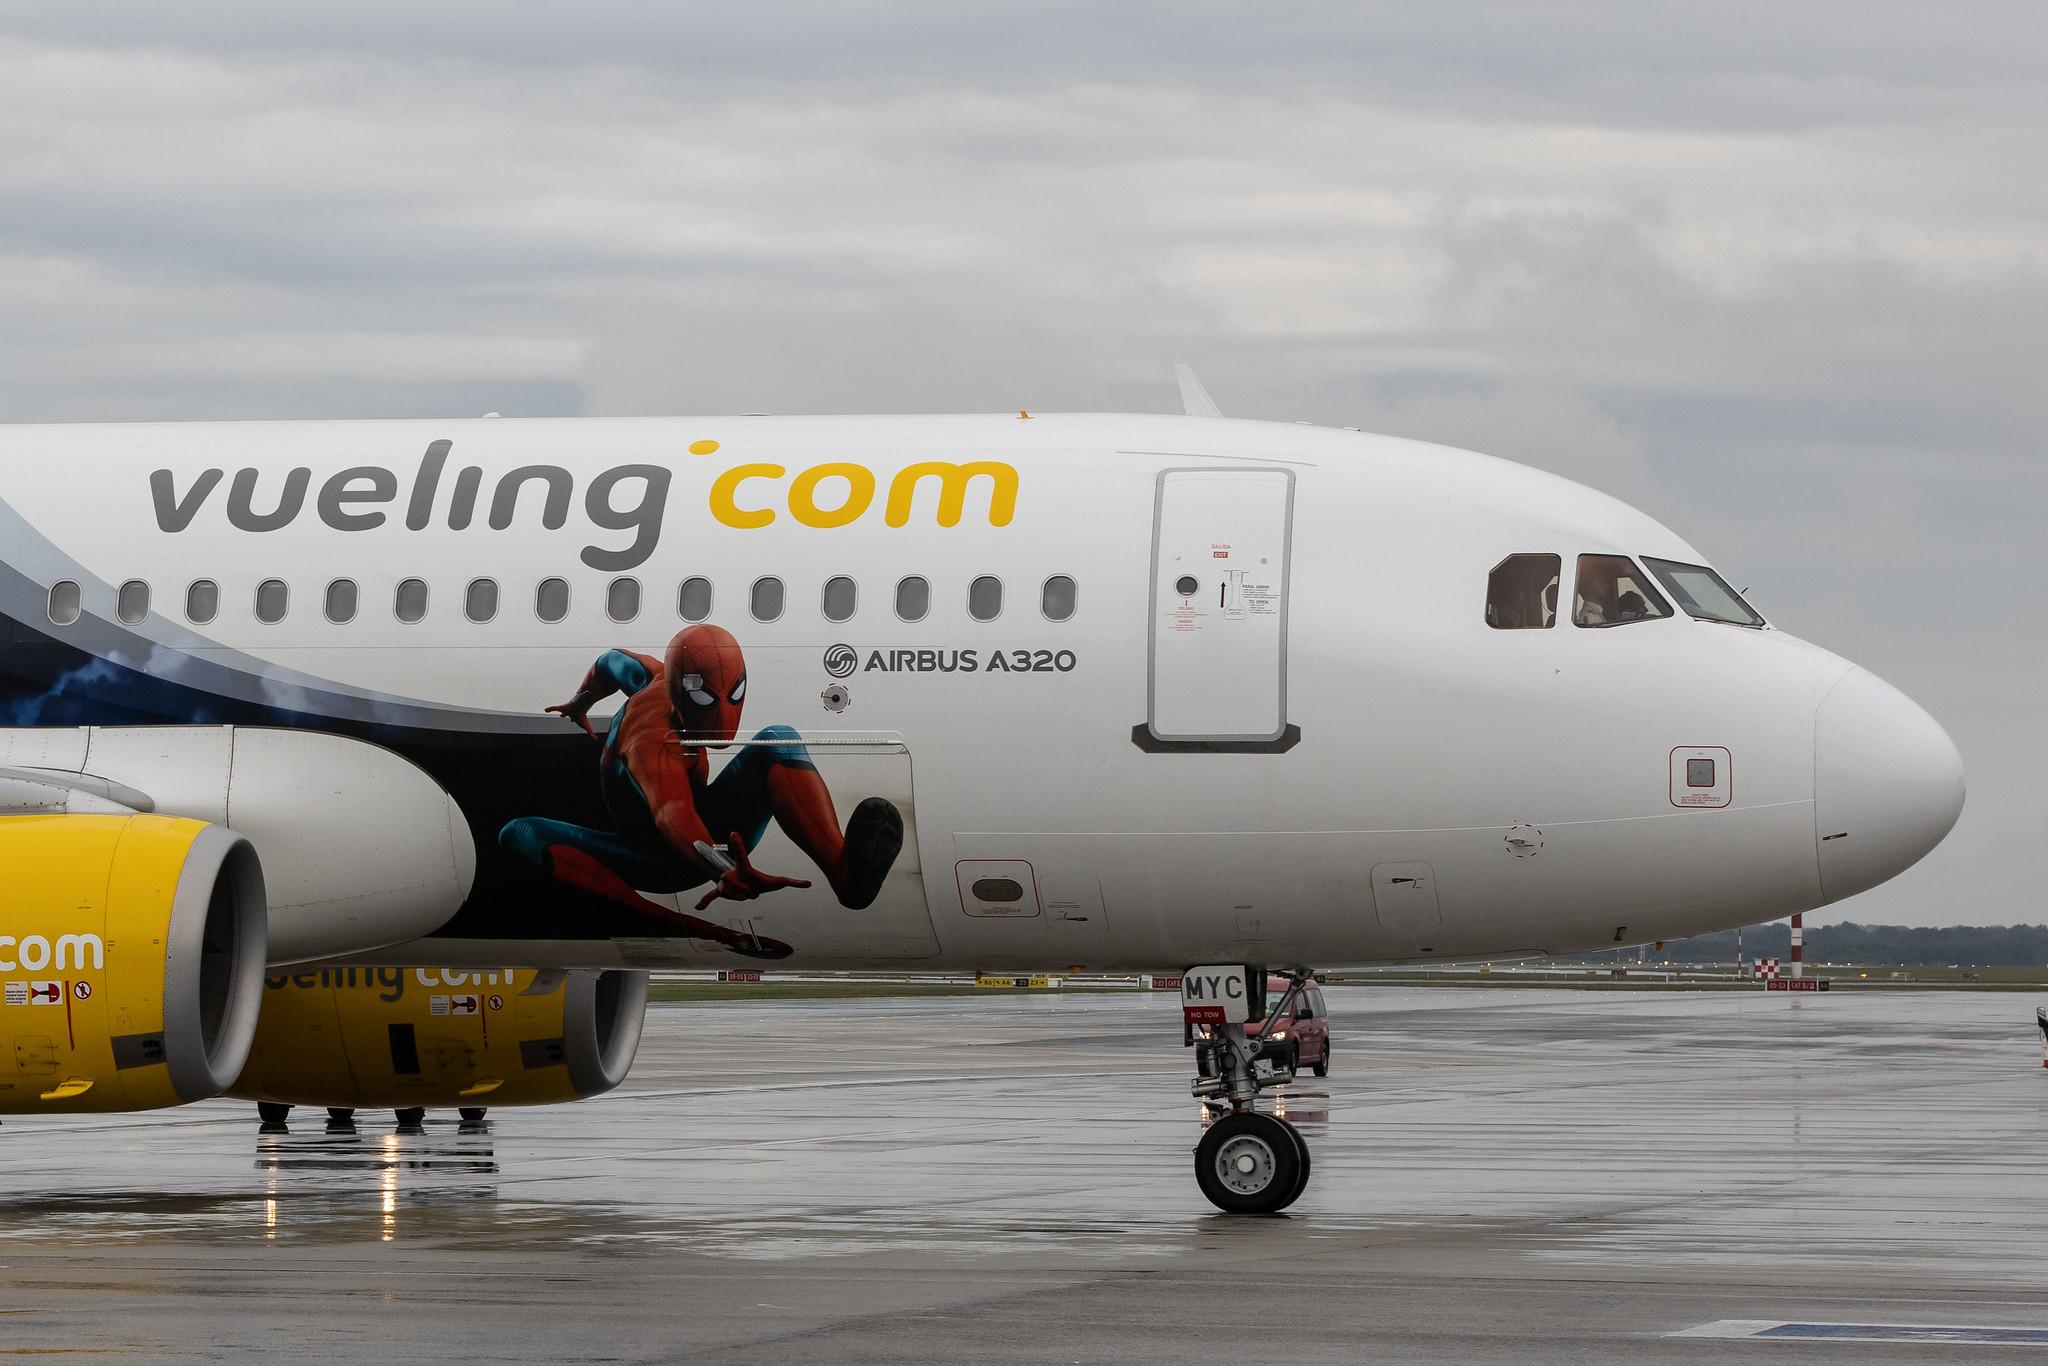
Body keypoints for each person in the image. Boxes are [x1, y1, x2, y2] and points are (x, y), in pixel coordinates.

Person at [500, 624, 903, 958]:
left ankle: (847, 875)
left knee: (779, 738)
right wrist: (723, 869)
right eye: (704, 697)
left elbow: (608, 661)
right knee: (520, 831)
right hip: (663, 856)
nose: (724, 713)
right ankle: (700, 928)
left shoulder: (651, 674)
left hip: (711, 829)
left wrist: (580, 702)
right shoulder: (653, 743)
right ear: (679, 691)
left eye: (736, 694)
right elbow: (672, 813)